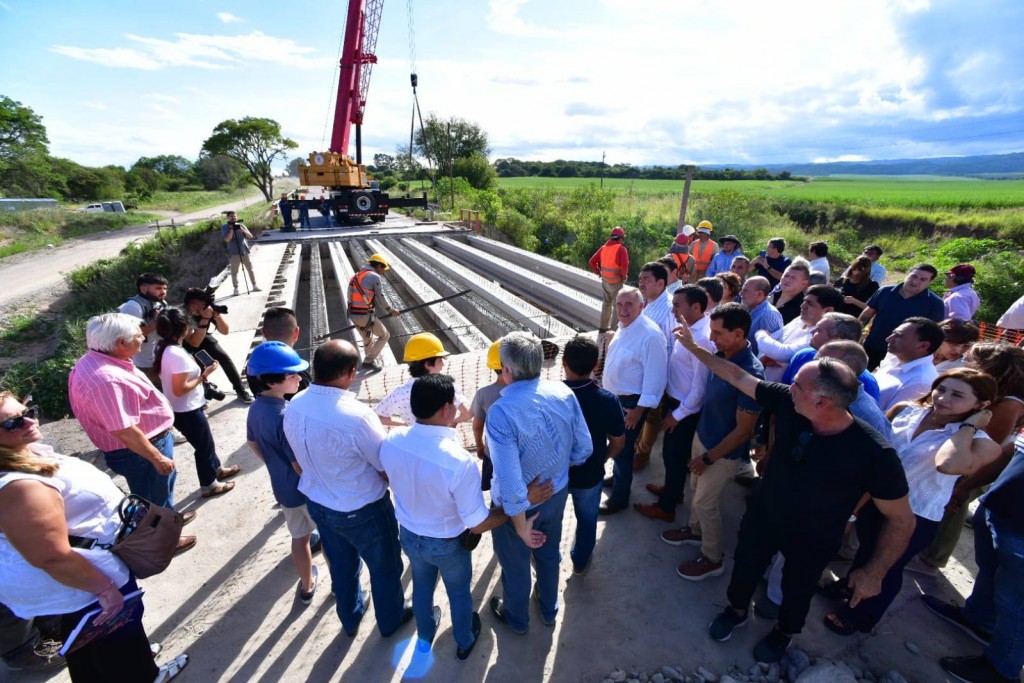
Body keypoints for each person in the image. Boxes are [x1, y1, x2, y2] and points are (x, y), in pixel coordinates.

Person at [673, 320, 914, 664]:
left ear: (822, 402)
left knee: (797, 590)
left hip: (814, 535)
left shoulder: (875, 452)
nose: (788, 385)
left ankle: (783, 633)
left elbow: (902, 520)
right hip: (765, 515)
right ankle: (736, 611)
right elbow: (739, 377)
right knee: (745, 568)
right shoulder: (791, 402)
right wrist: (696, 349)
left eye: (798, 384)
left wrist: (874, 571)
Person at [0, 392, 189, 683]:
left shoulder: (25, 454)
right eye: (13, 423)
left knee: (90, 640)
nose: (28, 420)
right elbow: (51, 555)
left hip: (87, 573)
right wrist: (104, 589)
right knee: (116, 630)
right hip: (85, 579)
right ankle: (146, 674)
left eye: (26, 410)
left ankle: (134, 657)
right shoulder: (21, 487)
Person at [380, 374, 548, 659]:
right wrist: (520, 502)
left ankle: (425, 633)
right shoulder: (458, 461)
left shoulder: (392, 440)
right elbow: (479, 523)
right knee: (458, 593)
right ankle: (464, 639)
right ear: (446, 409)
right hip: (447, 543)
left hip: (408, 535)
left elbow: (386, 474)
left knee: (421, 587)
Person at [821, 369, 999, 636]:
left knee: (886, 566)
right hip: (875, 498)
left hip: (915, 514)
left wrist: (969, 427)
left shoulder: (982, 444)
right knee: (866, 549)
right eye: (941, 389)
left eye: (957, 395)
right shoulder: (909, 410)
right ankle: (851, 585)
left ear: (981, 405)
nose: (943, 398)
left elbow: (949, 464)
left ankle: (862, 616)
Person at [282, 340, 411, 638]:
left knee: (341, 566)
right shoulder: (356, 415)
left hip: (318, 503)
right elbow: (383, 464)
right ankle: (390, 620)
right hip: (362, 508)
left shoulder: (295, 404)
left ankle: (350, 618)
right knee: (385, 567)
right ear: (351, 373)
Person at [486, 332, 592, 633]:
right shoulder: (563, 393)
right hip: (555, 494)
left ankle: (517, 619)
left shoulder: (501, 413)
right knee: (548, 553)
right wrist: (555, 468)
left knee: (516, 563)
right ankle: (548, 608)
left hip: (520, 507)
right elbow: (584, 448)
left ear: (507, 370)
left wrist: (520, 525)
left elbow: (509, 485)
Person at [68, 314, 197, 552]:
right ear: (121, 344)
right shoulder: (106, 380)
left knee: (158, 494)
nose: (144, 337)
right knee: (152, 500)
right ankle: (165, 542)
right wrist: (156, 457)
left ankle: (170, 521)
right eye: (139, 336)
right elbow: (124, 430)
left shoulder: (97, 359)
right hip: (140, 451)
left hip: (141, 448)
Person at [662, 303, 763, 580]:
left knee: (706, 504)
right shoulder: (722, 354)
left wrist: (707, 458)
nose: (713, 338)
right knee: (695, 489)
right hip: (703, 437)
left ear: (739, 333)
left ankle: (712, 557)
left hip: (721, 454)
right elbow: (708, 361)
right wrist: (692, 346)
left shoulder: (750, 372)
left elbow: (743, 431)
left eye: (718, 333)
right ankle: (694, 531)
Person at [914, 343, 1024, 576]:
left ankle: (933, 559)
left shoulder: (1009, 403)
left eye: (972, 360)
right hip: (967, 460)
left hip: (978, 468)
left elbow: (989, 441)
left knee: (953, 506)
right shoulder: (1000, 394)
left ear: (993, 366)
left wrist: (965, 483)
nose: (966, 361)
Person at [923, 430, 1024, 683]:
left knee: (1015, 601)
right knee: (990, 569)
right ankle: (978, 619)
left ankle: (1001, 670)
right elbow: (1012, 453)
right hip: (999, 509)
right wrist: (967, 486)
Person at [246, 342, 321, 606]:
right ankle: (341, 587)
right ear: (271, 381)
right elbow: (299, 465)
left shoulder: (256, 408)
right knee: (330, 536)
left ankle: (307, 586)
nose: (299, 379)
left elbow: (252, 443)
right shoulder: (286, 416)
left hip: (284, 491)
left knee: (299, 539)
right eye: (292, 376)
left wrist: (273, 462)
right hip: (306, 490)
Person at [635, 285, 715, 522]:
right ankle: (674, 491)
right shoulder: (690, 329)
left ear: (696, 307)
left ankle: (666, 507)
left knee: (674, 454)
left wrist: (677, 415)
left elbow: (699, 388)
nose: (672, 309)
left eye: (677, 305)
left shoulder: (701, 338)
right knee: (672, 456)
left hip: (685, 408)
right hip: (675, 402)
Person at [154, 308, 239, 498]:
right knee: (204, 447)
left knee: (205, 443)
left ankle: (216, 469)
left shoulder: (162, 347)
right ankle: (209, 485)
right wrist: (204, 375)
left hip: (181, 408)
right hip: (187, 410)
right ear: (183, 327)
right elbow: (180, 388)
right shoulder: (176, 354)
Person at [599, 288, 668, 514]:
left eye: (628, 305)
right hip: (615, 399)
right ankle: (618, 478)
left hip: (631, 404)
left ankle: (620, 498)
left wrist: (638, 410)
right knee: (618, 447)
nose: (623, 310)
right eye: (619, 304)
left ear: (641, 306)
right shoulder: (624, 326)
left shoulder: (650, 334)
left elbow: (655, 378)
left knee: (623, 449)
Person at [562, 336, 625, 573]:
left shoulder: (552, 396)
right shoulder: (608, 400)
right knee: (587, 521)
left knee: (550, 523)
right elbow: (618, 442)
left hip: (556, 477)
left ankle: (549, 564)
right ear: (596, 365)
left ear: (563, 363)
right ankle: (580, 563)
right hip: (590, 476)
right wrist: (603, 458)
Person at [374, 333, 470, 427]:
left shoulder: (400, 392)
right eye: (440, 360)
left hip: (414, 439)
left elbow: (379, 416)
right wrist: (451, 422)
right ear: (428, 364)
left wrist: (405, 424)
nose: (443, 364)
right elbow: (467, 414)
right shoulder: (446, 387)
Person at [860, 264, 945, 370]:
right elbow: (866, 315)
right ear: (907, 274)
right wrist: (854, 337)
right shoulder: (885, 291)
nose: (915, 281)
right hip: (872, 347)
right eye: (913, 276)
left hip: (902, 357)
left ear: (930, 282)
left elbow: (933, 335)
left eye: (923, 279)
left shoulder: (935, 303)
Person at [780, 312, 881, 401]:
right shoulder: (803, 355)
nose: (812, 332)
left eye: (818, 330)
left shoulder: (866, 383)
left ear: (837, 339)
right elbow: (782, 392)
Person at [633, 262, 674, 471]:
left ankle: (643, 452)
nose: (641, 283)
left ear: (661, 283)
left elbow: (672, 346)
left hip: (655, 371)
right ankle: (636, 446)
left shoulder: (668, 310)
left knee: (651, 413)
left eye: (646, 280)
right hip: (639, 369)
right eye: (640, 279)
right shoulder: (646, 303)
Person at [755, 284, 842, 382]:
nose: (802, 305)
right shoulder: (799, 320)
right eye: (804, 301)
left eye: (809, 303)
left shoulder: (820, 336)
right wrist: (764, 357)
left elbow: (781, 353)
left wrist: (760, 333)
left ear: (828, 310)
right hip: (763, 381)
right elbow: (769, 344)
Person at [182, 288, 255, 404]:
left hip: (203, 336)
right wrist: (205, 319)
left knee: (224, 358)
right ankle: (203, 392)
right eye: (203, 305)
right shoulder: (183, 314)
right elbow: (194, 343)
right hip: (187, 343)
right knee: (200, 366)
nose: (206, 307)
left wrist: (217, 317)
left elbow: (225, 331)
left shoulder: (206, 310)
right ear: (193, 304)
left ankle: (240, 389)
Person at [874, 317, 944, 411]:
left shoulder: (921, 382)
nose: (889, 339)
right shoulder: (893, 359)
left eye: (899, 336)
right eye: (893, 333)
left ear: (923, 346)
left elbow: (889, 420)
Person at [347, 253, 401, 370]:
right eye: (383, 268)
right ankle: (368, 361)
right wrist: (390, 310)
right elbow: (380, 297)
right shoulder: (374, 277)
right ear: (378, 266)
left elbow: (349, 295)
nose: (383, 272)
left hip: (353, 315)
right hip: (364, 315)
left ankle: (368, 364)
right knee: (384, 335)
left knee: (367, 338)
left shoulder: (355, 276)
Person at [117, 272, 168, 387]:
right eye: (158, 288)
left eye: (165, 288)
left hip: (164, 354)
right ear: (143, 289)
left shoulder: (160, 301)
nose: (163, 291)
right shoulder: (132, 307)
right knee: (162, 393)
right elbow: (130, 335)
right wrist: (157, 322)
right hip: (147, 362)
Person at [247, 306, 311, 397]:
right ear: (296, 332)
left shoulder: (252, 366)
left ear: (263, 333)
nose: (297, 378)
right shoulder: (300, 376)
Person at [471, 340, 505, 491]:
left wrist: (479, 446)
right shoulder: (528, 391)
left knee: (495, 492)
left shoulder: (483, 393)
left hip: (492, 454)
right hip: (522, 455)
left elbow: (478, 425)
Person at [588, 226, 629, 332]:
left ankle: (602, 328)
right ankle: (613, 330)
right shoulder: (621, 249)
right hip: (616, 283)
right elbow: (624, 267)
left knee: (606, 305)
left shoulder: (604, 248)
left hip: (605, 281)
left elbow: (592, 261)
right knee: (617, 306)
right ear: (620, 238)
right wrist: (623, 277)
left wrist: (599, 273)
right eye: (622, 238)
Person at [220, 211, 261, 296]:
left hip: (244, 251)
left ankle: (254, 285)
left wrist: (242, 230)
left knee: (250, 269)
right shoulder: (224, 227)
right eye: (231, 216)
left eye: (235, 216)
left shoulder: (241, 225)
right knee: (234, 272)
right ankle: (236, 288)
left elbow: (250, 236)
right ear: (228, 218)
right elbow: (227, 240)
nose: (233, 218)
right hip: (234, 252)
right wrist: (231, 230)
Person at [739, 276, 783, 356]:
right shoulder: (748, 308)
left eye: (745, 290)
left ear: (759, 294)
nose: (740, 293)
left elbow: (768, 352)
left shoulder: (769, 315)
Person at [769, 260, 811, 325]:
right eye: (786, 275)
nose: (787, 280)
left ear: (804, 283)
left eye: (794, 278)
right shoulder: (773, 295)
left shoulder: (803, 308)